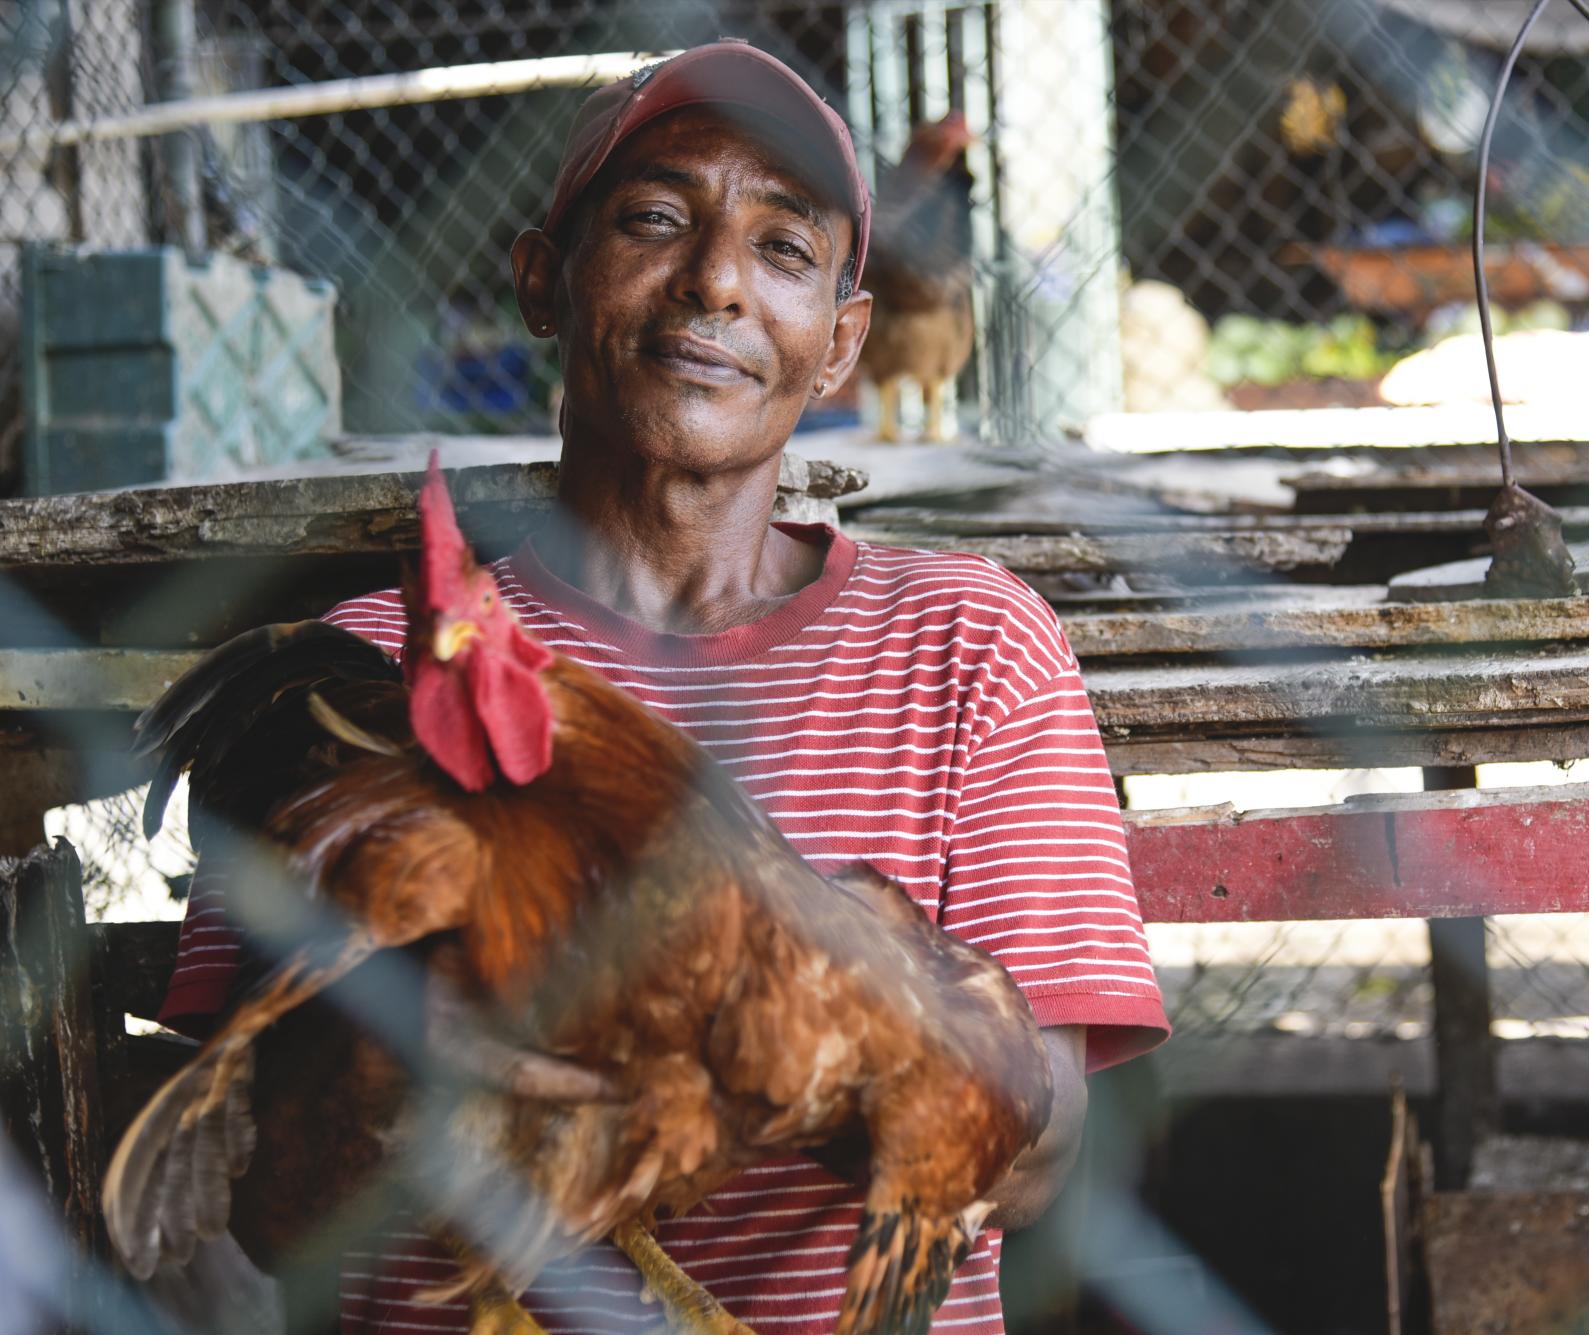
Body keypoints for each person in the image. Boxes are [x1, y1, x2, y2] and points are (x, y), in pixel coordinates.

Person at [156, 39, 1168, 1334]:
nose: (716, 281)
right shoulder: (381, 668)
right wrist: (382, 1065)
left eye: (784, 249)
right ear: (543, 278)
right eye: (654, 219)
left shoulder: (967, 645)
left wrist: (780, 1009)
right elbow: (264, 1208)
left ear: (842, 345)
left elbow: (1038, 1157)